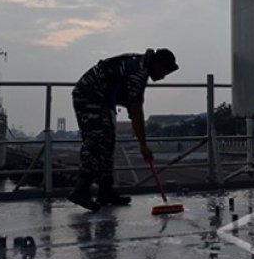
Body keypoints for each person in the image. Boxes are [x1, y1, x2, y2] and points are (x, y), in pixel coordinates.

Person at [67, 48, 179, 211]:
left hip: (102, 100)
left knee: (108, 142)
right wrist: (143, 145)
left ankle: (105, 191)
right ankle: (81, 189)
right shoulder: (138, 71)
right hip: (89, 95)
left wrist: (139, 132)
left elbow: (132, 107)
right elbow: (136, 110)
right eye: (164, 72)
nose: (162, 77)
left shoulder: (141, 66)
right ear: (156, 64)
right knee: (98, 140)